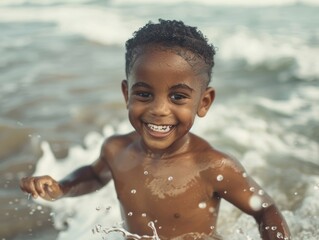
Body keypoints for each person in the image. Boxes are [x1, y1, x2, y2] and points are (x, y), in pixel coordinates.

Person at [20, 19, 291, 240]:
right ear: (127, 93)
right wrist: (62, 188)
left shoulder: (213, 166)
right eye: (144, 94)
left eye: (178, 97)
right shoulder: (116, 150)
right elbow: (94, 175)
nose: (159, 110)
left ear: (203, 102)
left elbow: (265, 210)